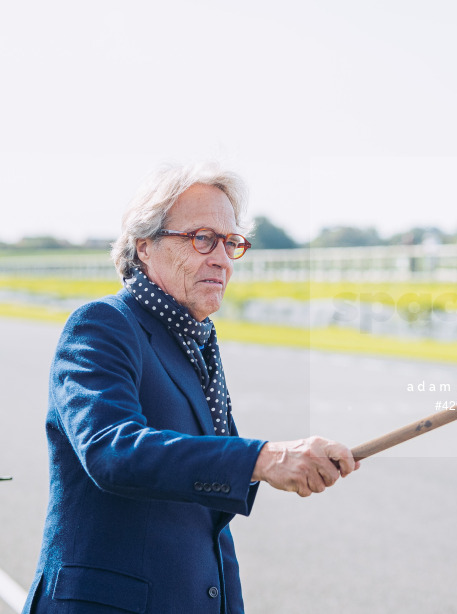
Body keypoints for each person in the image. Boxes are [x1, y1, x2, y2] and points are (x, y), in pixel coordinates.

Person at [23, 162, 359, 613]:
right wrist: (262, 458)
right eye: (202, 238)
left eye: (231, 243)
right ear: (145, 246)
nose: (221, 259)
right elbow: (111, 450)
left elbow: (209, 524)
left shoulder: (194, 340)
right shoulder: (102, 325)